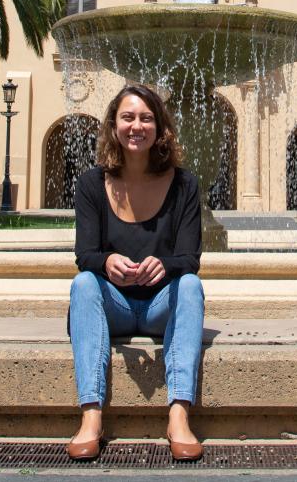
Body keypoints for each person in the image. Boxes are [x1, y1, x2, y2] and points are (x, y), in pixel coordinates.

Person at [67, 84, 205, 461]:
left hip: (162, 306)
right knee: (83, 284)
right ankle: (91, 416)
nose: (136, 126)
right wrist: (106, 262)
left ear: (160, 129)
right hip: (116, 306)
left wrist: (166, 265)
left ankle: (178, 414)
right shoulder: (92, 184)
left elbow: (189, 259)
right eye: (127, 117)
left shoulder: (184, 184)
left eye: (146, 118)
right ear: (114, 125)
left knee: (190, 285)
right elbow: (85, 255)